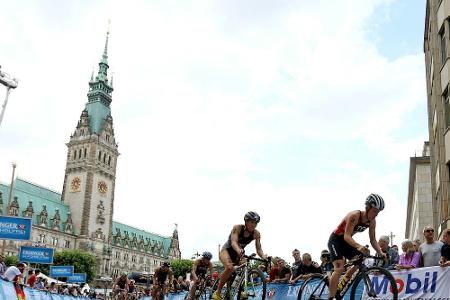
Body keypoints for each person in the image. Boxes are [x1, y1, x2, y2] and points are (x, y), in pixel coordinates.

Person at [327, 194, 386, 300]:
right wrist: (359, 246)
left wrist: (381, 253)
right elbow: (347, 236)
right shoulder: (354, 215)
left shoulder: (372, 221)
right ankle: (331, 297)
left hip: (346, 242)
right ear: (367, 207)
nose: (376, 214)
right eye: (375, 211)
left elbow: (373, 240)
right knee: (339, 268)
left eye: (378, 212)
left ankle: (342, 284)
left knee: (360, 259)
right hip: (335, 240)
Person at [212, 211, 268, 300]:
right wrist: (239, 250)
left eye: (255, 223)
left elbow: (259, 249)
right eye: (251, 222)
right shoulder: (237, 228)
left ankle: (238, 289)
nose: (253, 225)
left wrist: (264, 257)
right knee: (229, 267)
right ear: (246, 221)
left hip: (238, 254)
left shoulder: (256, 234)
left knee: (245, 265)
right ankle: (217, 292)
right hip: (227, 251)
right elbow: (234, 242)